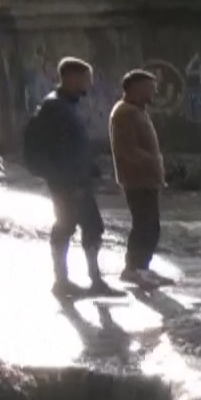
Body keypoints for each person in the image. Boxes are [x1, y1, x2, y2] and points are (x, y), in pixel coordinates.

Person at [26, 57, 111, 298]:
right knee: (67, 225)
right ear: (72, 78)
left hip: (76, 178)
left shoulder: (66, 105)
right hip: (68, 182)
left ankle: (91, 280)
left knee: (89, 226)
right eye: (86, 79)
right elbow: (58, 150)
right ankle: (64, 281)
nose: (89, 84)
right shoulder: (55, 107)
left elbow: (74, 145)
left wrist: (90, 169)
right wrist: (70, 182)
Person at [109, 69, 169, 288]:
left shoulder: (137, 110)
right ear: (135, 88)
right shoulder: (125, 113)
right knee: (144, 226)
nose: (154, 92)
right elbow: (127, 149)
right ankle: (132, 269)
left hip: (146, 179)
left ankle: (142, 268)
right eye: (149, 88)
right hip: (136, 180)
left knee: (150, 226)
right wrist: (152, 162)